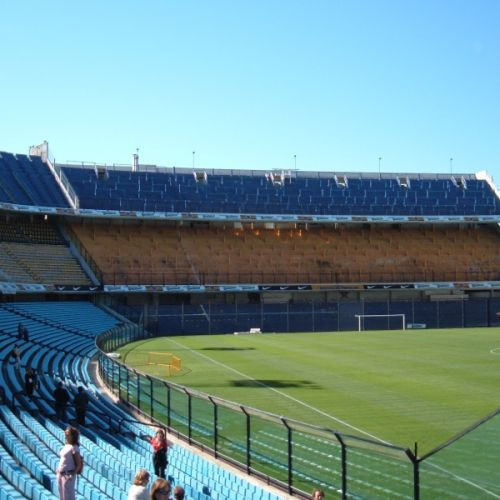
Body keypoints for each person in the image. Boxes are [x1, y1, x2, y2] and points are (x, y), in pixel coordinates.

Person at [56, 427, 83, 500]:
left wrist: (72, 475)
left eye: (67, 434)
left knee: (68, 497)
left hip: (68, 475)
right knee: (62, 497)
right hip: (60, 474)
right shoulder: (66, 445)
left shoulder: (74, 447)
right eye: (65, 434)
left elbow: (78, 464)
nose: (65, 436)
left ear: (72, 436)